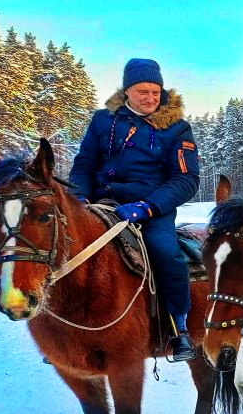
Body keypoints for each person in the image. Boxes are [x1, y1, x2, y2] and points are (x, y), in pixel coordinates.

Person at [70, 58, 200, 361]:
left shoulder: (177, 128)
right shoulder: (103, 120)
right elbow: (85, 165)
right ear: (127, 90)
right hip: (102, 202)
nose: (151, 98)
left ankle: (178, 328)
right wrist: (78, 198)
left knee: (165, 252)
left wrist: (148, 206)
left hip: (153, 206)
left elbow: (186, 179)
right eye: (143, 91)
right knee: (68, 244)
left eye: (156, 91)